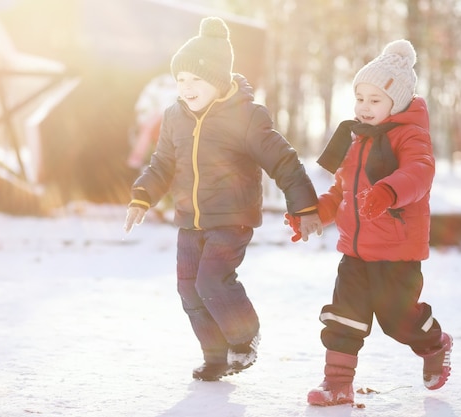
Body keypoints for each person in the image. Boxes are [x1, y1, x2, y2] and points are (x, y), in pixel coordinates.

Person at [123, 16, 323, 382]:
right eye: (180, 80)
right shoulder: (174, 117)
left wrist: (304, 205)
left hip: (232, 217)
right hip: (189, 219)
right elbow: (163, 163)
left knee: (211, 280)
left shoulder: (246, 117)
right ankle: (215, 356)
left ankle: (244, 338)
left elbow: (283, 160)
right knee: (188, 288)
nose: (186, 88)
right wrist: (142, 196)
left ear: (217, 79)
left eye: (195, 79)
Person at [287, 39, 452, 406]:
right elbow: (341, 190)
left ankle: (435, 343)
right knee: (344, 317)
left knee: (397, 321)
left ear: (399, 102)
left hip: (396, 251)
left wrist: (388, 192)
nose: (363, 107)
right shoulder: (357, 140)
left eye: (374, 100)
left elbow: (419, 172)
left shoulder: (411, 136)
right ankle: (337, 384)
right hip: (355, 252)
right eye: (360, 98)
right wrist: (315, 216)